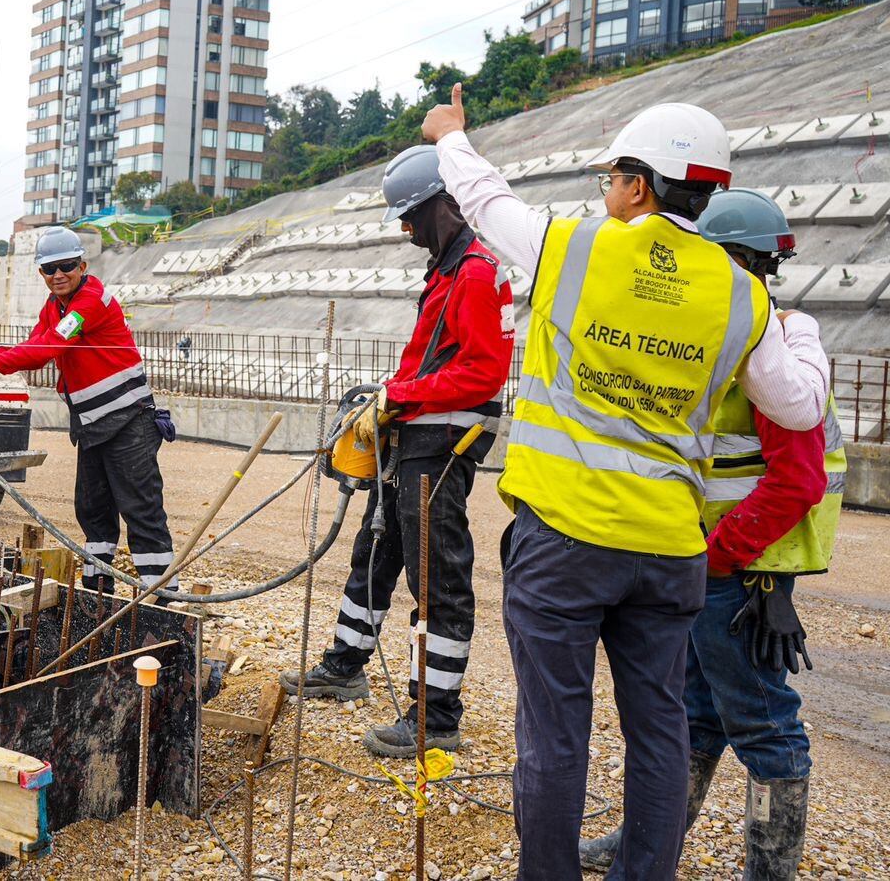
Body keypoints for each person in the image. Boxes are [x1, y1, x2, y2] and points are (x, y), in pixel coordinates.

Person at [421, 84, 828, 881]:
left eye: (611, 178)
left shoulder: (574, 248)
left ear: (639, 185)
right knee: (661, 731)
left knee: (555, 736)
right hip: (671, 553)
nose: (605, 193)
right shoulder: (741, 293)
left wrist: (451, 135)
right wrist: (802, 329)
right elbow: (801, 402)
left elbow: (482, 198)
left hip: (565, 544)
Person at [580, 188, 841, 879]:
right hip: (712, 565)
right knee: (695, 712)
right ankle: (647, 843)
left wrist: (719, 561)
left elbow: (798, 482)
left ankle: (769, 871)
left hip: (735, 571)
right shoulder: (727, 333)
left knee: (765, 724)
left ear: (736, 262)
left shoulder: (775, 345)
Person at [280, 144, 515, 758]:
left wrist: (398, 395)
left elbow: (483, 375)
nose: (407, 229)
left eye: (412, 215)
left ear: (446, 205)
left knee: (436, 575)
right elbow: (429, 360)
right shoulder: (445, 269)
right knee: (376, 549)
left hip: (443, 444)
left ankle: (437, 716)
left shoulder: (476, 272)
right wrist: (386, 400)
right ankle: (346, 664)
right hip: (415, 437)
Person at [0, 226, 177, 593]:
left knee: (140, 507)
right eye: (50, 269)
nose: (58, 274)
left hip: (130, 421)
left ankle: (161, 592)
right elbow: (36, 343)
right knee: (92, 508)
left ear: (82, 265)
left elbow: (49, 349)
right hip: (95, 424)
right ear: (41, 273)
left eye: (66, 266)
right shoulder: (55, 307)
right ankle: (98, 587)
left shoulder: (88, 304)